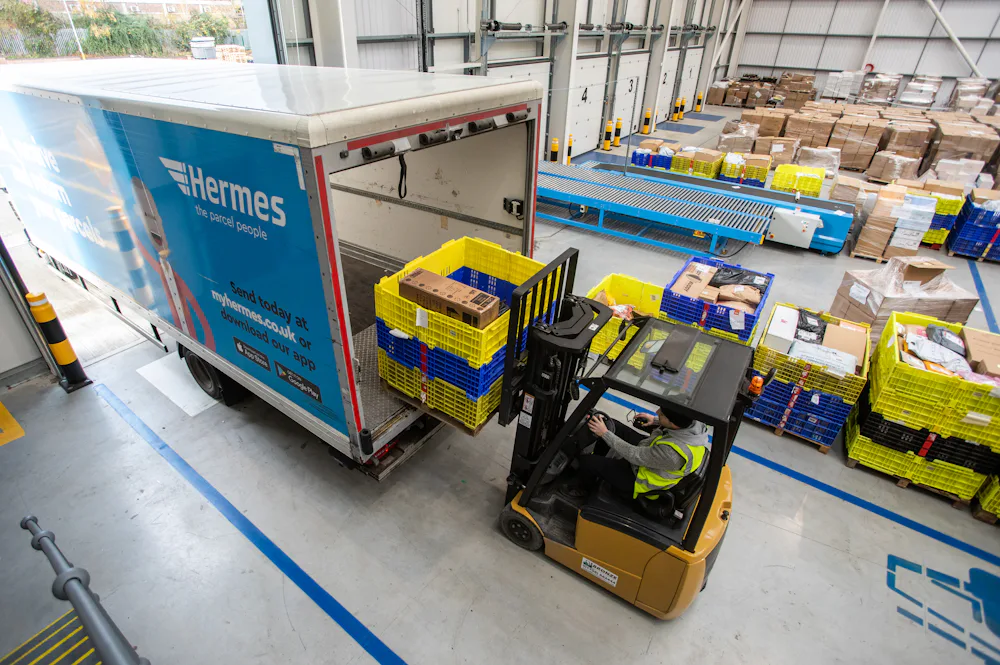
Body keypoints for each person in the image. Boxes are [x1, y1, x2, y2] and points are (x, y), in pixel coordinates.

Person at [574, 408, 710, 502]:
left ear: (673, 424)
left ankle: (583, 489)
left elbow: (634, 455)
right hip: (652, 453)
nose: (657, 412)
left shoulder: (673, 454)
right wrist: (657, 420)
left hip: (640, 478)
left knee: (586, 462)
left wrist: (604, 433)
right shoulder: (694, 424)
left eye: (661, 414)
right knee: (613, 425)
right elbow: (674, 425)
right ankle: (600, 462)